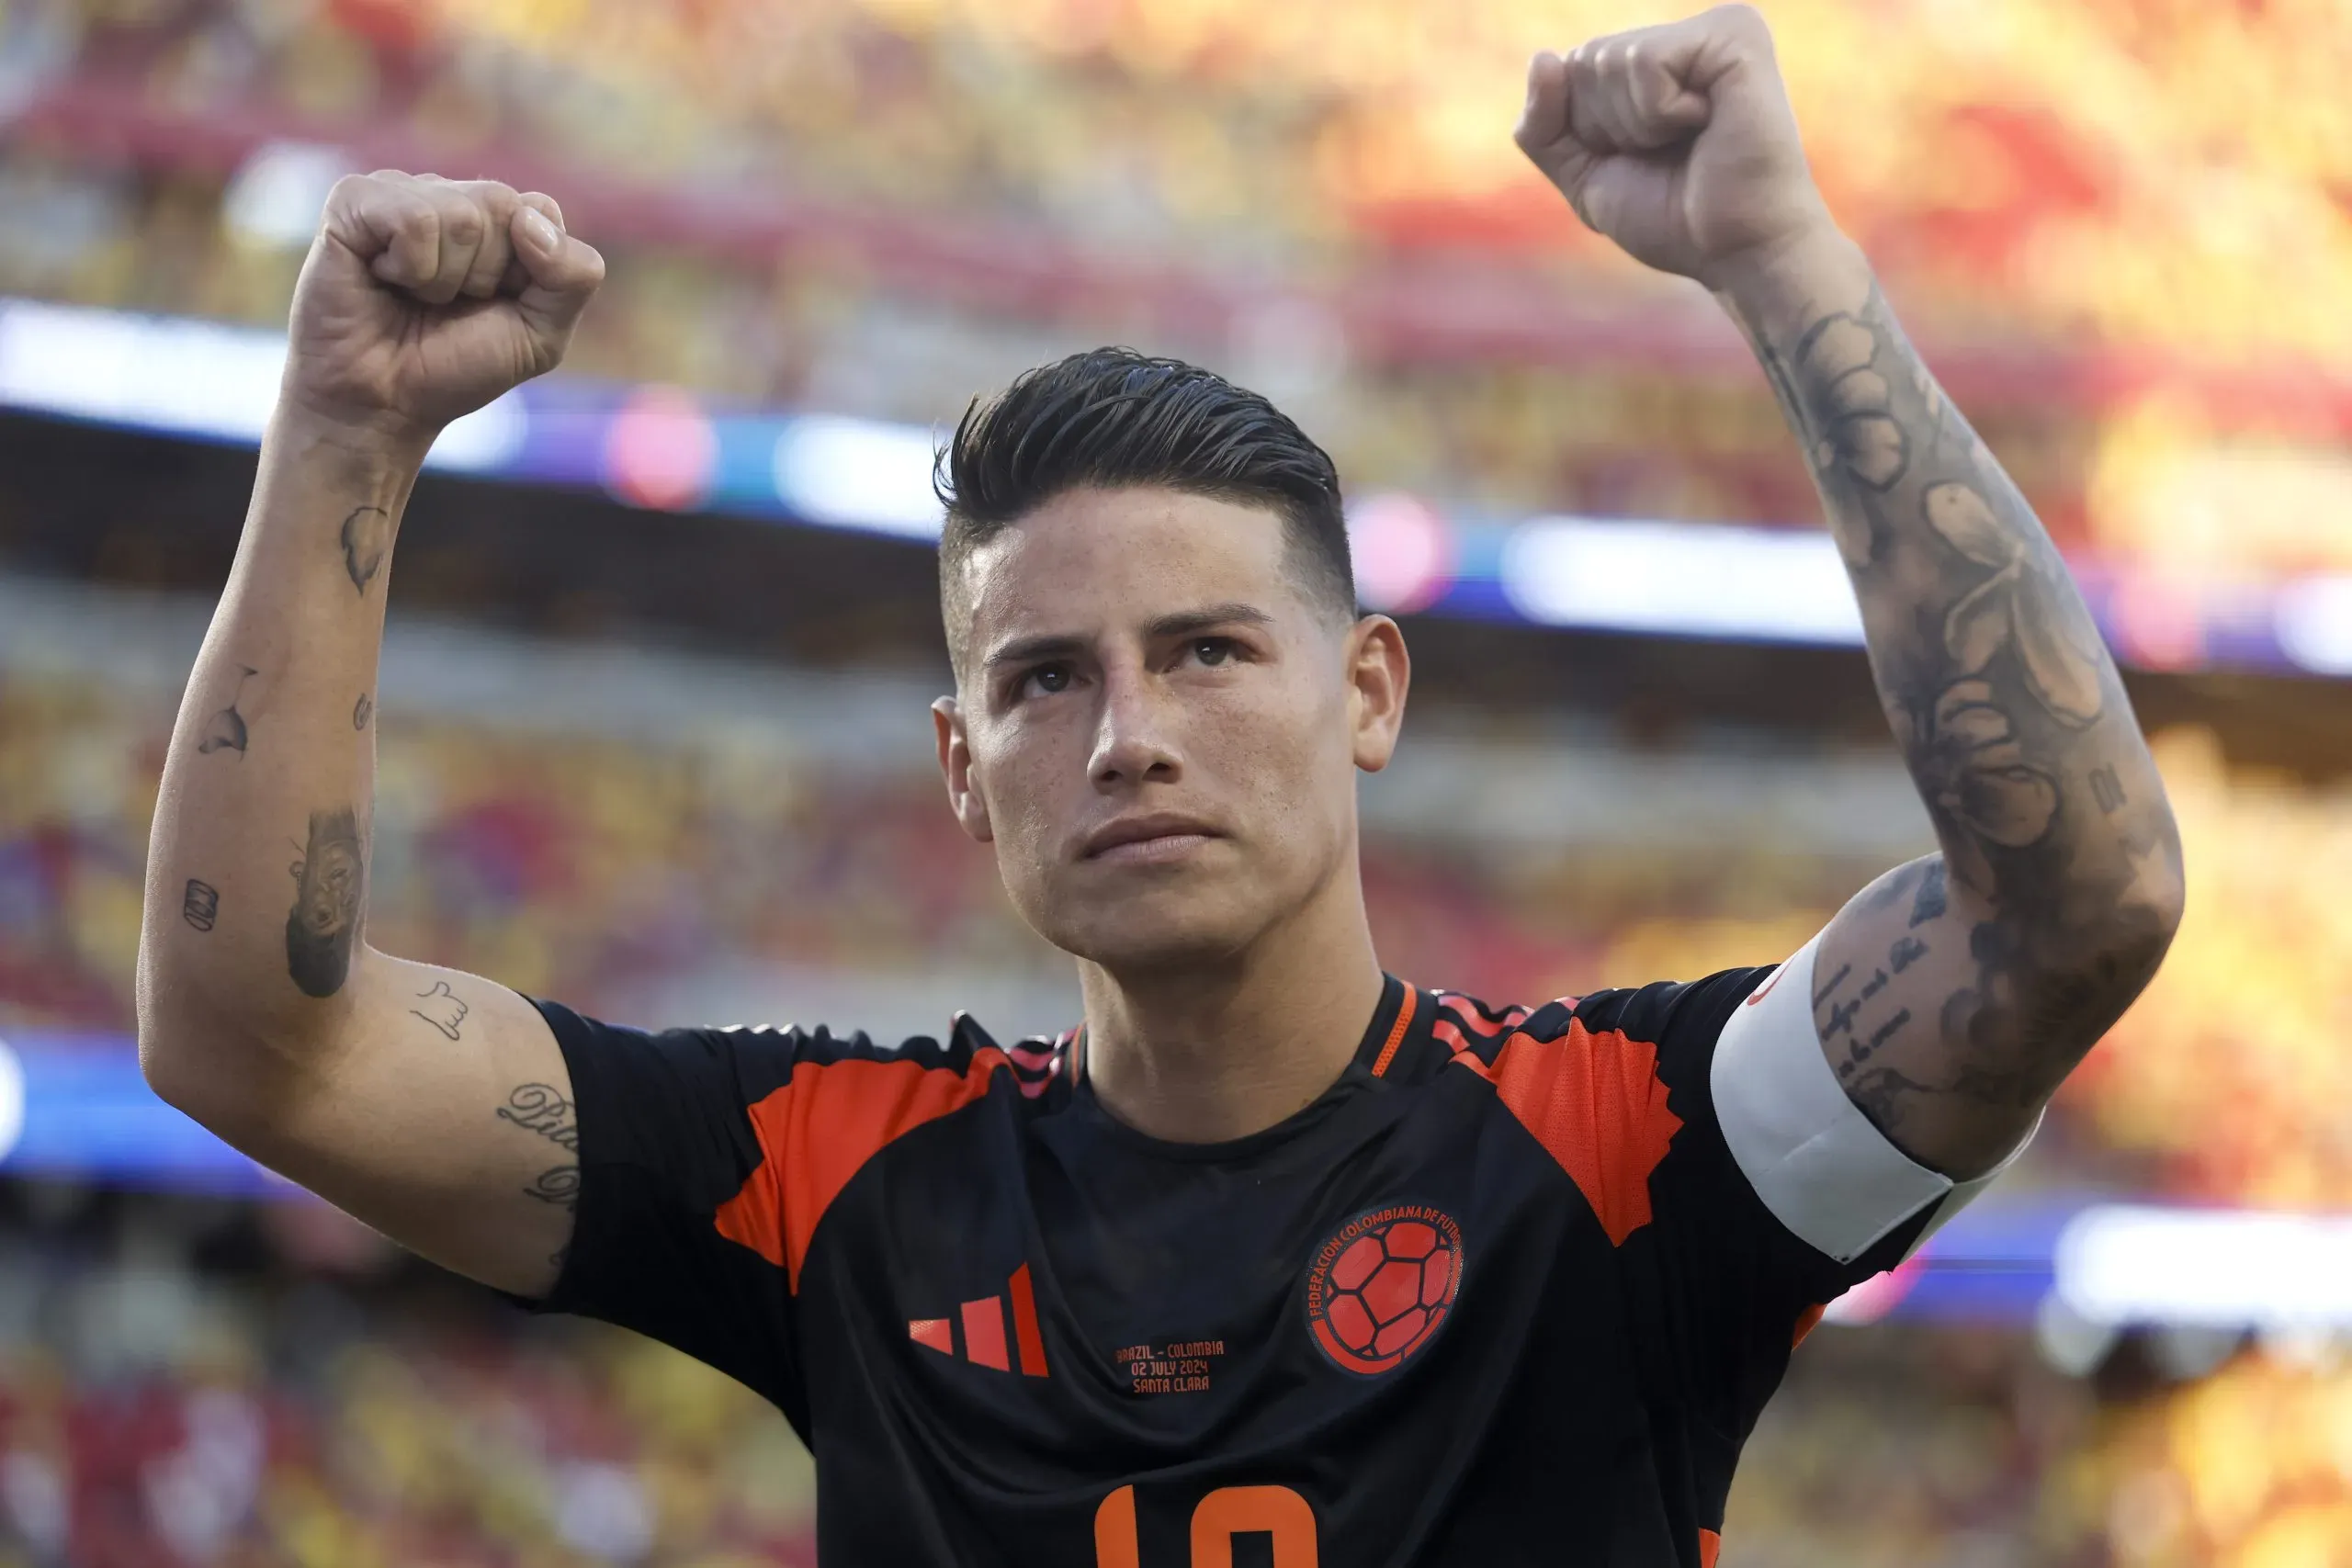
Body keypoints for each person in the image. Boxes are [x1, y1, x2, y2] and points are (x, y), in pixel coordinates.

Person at [137, 6, 2184, 1563]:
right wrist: (342, 431)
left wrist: (1783, 262)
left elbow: (2072, 904)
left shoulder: (1627, 1145)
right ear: (963, 770)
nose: (1126, 730)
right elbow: (260, 1046)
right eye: (1045, 678)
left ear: (1367, 690)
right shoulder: (835, 1179)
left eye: (1208, 649)